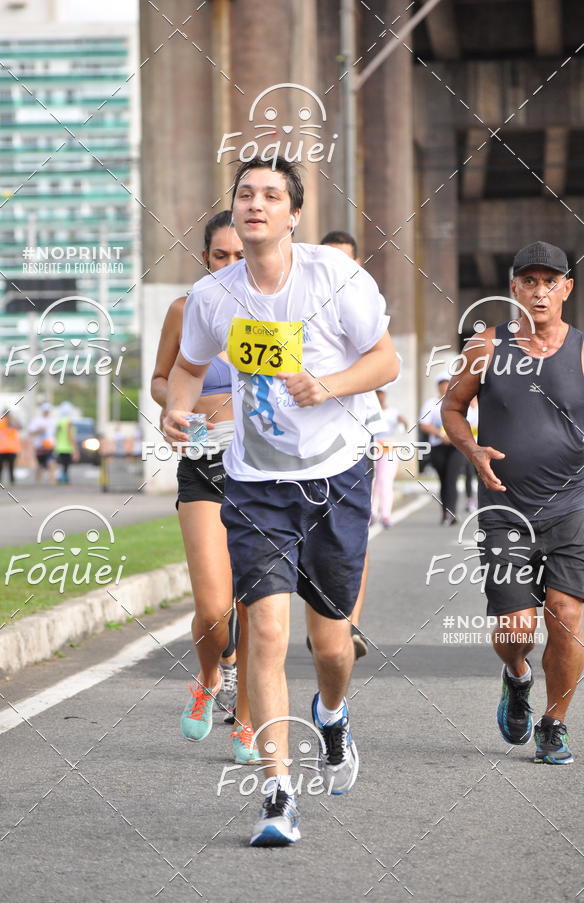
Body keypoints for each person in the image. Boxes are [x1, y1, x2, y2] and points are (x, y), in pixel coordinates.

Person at [165, 156, 399, 846]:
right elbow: (184, 365)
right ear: (234, 208)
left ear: (293, 213)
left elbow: (385, 360)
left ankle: (332, 714)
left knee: (331, 645)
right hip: (256, 483)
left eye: (271, 195)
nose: (256, 203)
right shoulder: (214, 295)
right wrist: (178, 409)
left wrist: (329, 385)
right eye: (246, 194)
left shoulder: (337, 278)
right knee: (264, 631)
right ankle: (276, 792)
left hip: (336, 477)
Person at [442, 240, 584, 765]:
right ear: (514, 288)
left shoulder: (582, 349)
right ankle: (517, 675)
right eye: (530, 281)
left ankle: (554, 723)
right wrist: (472, 448)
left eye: (551, 282)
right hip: (504, 509)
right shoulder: (486, 346)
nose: (540, 291)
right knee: (516, 630)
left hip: (573, 505)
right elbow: (453, 407)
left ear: (567, 289)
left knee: (567, 615)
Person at [150, 210, 258, 765]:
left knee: (253, 601)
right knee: (215, 608)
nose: (232, 265)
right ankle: (210, 677)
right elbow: (160, 379)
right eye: (222, 255)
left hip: (262, 467)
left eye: (242, 255)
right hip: (201, 462)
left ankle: (246, 713)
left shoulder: (276, 312)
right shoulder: (185, 310)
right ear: (205, 259)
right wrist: (175, 408)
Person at [318, 230, 369, 657]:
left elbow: (387, 363)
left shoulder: (365, 304)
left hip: (355, 442)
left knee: (351, 540)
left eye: (346, 262)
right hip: (300, 450)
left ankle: (347, 623)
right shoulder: (302, 304)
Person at [420, 374, 464, 525]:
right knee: (444, 480)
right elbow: (424, 424)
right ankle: (445, 512)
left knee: (452, 479)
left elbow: (468, 422)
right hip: (438, 446)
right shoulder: (431, 404)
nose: (444, 387)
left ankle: (451, 512)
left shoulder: (459, 401)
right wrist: (439, 434)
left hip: (456, 447)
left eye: (447, 383)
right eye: (442, 384)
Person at [371, 389, 408, 527]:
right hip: (373, 449)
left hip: (389, 450)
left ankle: (386, 514)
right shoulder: (370, 410)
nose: (379, 396)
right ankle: (372, 513)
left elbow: (403, 421)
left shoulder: (392, 412)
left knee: (385, 481)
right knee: (372, 481)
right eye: (377, 393)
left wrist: (404, 423)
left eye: (381, 393)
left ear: (385, 395)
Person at [29, 402, 57, 484]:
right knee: (40, 465)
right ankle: (37, 482)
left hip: (50, 446)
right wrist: (39, 430)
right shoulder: (37, 420)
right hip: (40, 446)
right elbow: (31, 432)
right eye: (45, 410)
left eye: (48, 410)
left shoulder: (52, 420)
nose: (46, 412)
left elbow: (53, 434)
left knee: (51, 462)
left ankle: (52, 481)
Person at [0, 412, 21, 485]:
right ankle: (9, 481)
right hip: (4, 449)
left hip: (6, 449)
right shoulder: (0, 422)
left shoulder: (10, 422)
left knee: (3, 467)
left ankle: (4, 481)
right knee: (5, 466)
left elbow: (20, 427)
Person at [55, 402, 79, 483]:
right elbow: (70, 436)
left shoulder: (59, 421)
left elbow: (56, 434)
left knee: (62, 465)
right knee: (66, 465)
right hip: (67, 447)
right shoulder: (69, 421)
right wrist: (75, 449)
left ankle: (62, 478)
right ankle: (63, 479)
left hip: (59, 447)